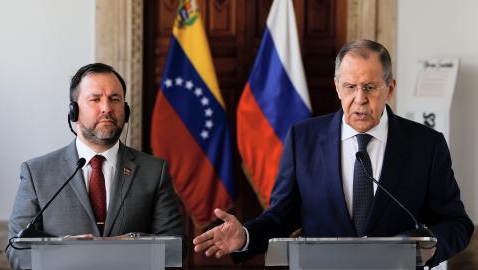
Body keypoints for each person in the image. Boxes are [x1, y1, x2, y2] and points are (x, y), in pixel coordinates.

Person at [193, 39, 473, 268]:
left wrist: (423, 248)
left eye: (370, 87)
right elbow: (281, 216)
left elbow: (456, 224)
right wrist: (245, 236)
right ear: (337, 87)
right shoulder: (303, 139)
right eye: (350, 87)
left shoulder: (426, 144)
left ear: (389, 88)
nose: (360, 98)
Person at [6, 63, 184, 269]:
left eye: (114, 99)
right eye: (95, 99)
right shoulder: (37, 173)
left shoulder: (155, 171)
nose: (107, 108)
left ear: (125, 110)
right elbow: (16, 253)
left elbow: (176, 249)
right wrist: (64, 250)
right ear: (74, 110)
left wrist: (129, 242)